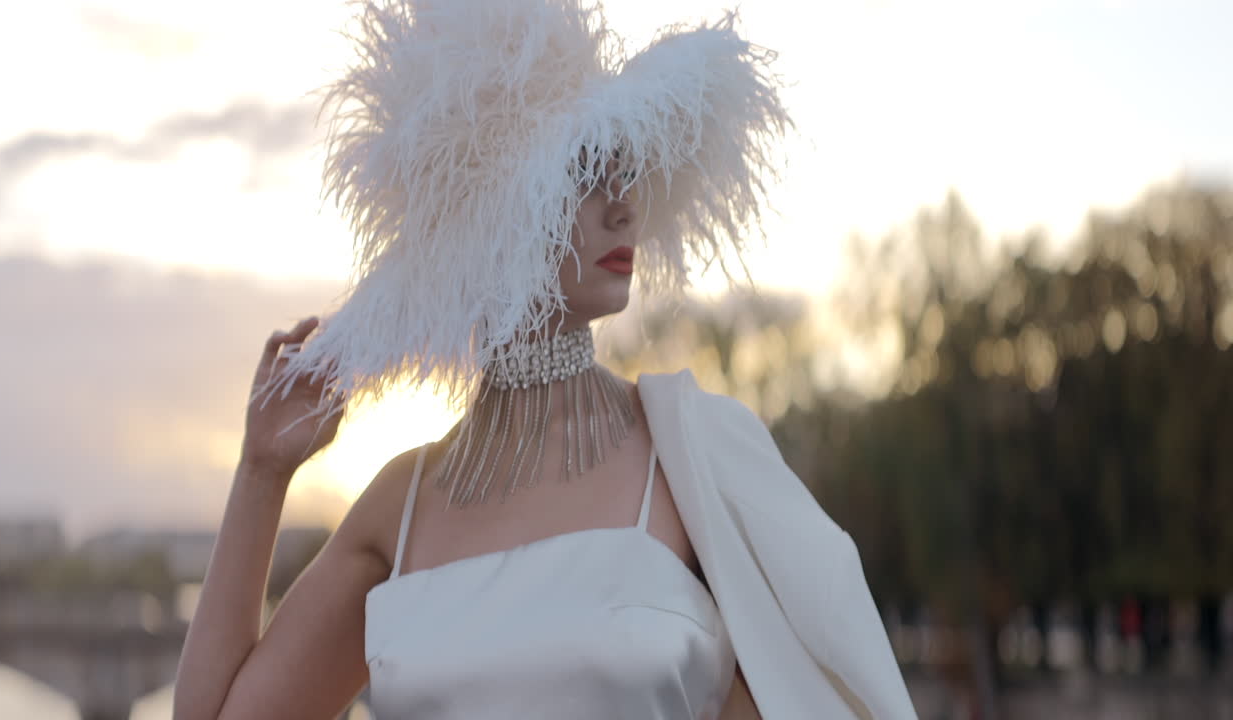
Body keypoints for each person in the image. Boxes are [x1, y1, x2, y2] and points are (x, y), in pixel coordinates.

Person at [175, 0, 916, 718]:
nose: (623, 205)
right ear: (490, 203)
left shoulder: (696, 452)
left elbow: (823, 690)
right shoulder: (399, 504)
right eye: (585, 172)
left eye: (627, 171)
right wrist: (262, 473)